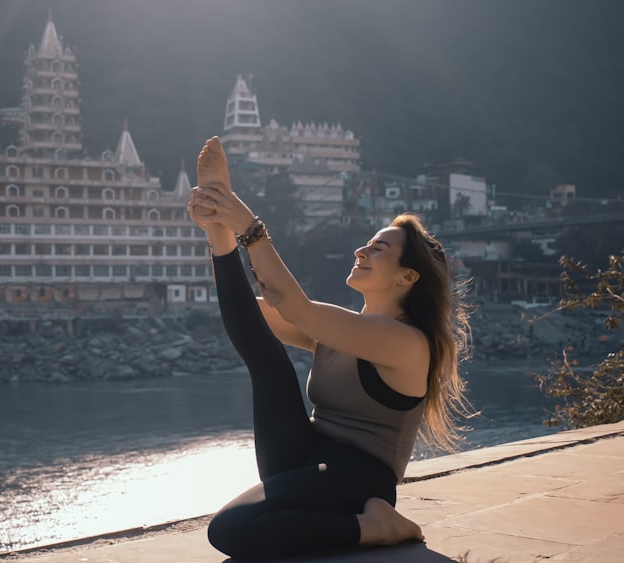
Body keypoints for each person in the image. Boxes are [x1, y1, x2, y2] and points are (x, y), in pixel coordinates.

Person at [187, 136, 470, 560]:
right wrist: (218, 233)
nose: (362, 250)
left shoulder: (407, 342)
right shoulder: (342, 328)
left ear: (407, 278)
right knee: (266, 361)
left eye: (379, 248)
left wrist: (247, 226)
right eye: (368, 242)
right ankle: (351, 526)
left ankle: (373, 527)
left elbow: (296, 308)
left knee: (230, 530)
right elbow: (251, 318)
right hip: (305, 457)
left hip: (358, 479)